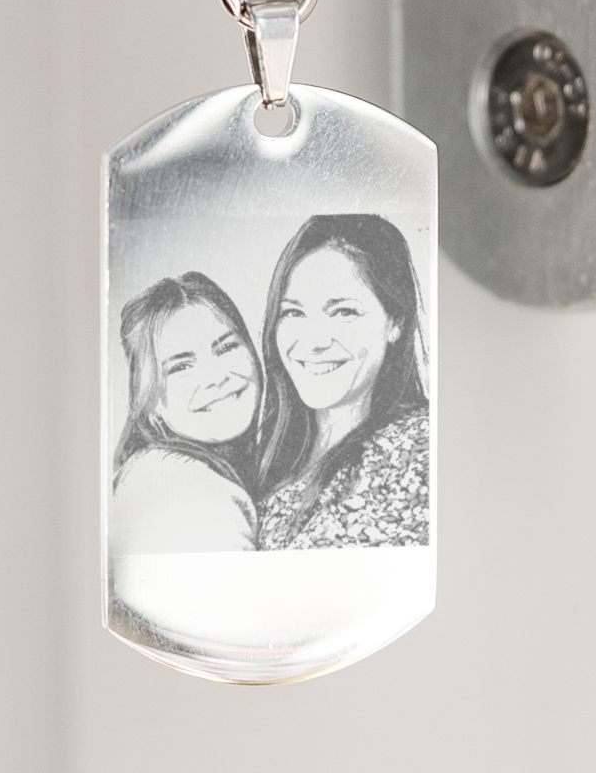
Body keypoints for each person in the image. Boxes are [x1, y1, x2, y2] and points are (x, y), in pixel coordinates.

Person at [255, 215, 430, 549]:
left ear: (396, 321)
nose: (315, 341)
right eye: (293, 312)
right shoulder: (271, 454)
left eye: (343, 312)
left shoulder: (416, 448)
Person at [110, 272, 262, 552]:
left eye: (226, 347)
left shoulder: (156, 468)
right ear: (149, 402)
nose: (215, 377)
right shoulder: (189, 490)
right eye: (180, 367)